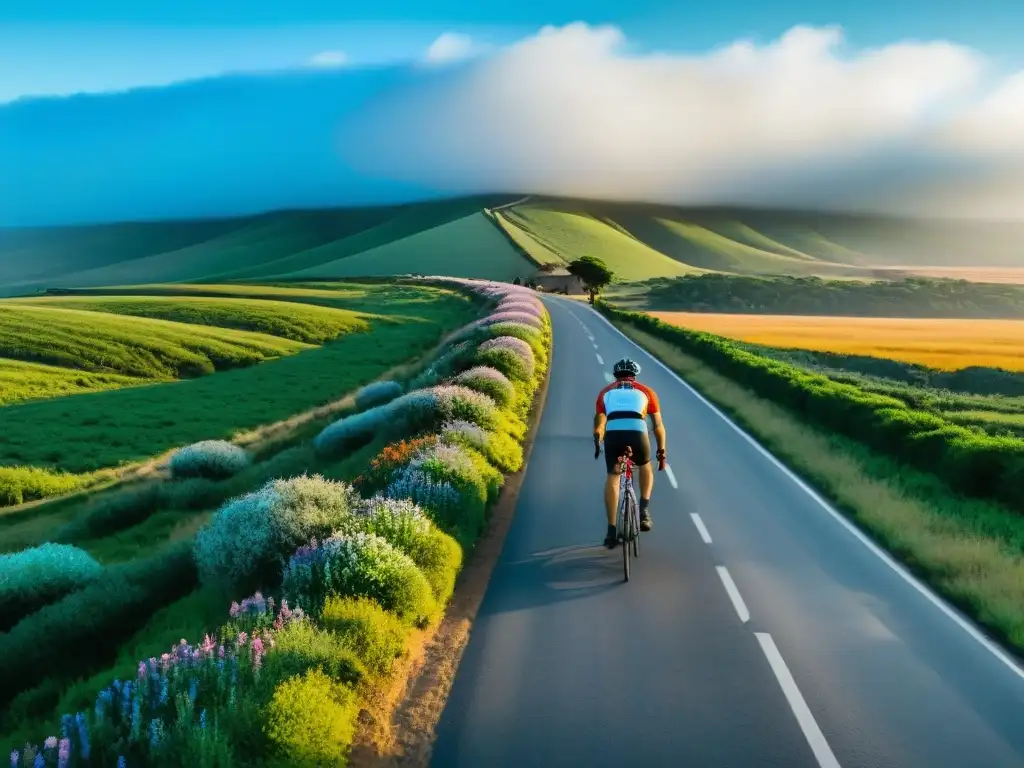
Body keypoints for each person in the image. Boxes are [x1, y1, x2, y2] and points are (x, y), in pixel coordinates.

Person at [593, 358, 667, 548]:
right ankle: (643, 511)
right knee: (644, 466)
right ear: (635, 375)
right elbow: (658, 426)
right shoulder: (647, 392)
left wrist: (599, 438)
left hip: (614, 434)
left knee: (613, 476)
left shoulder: (605, 392)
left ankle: (611, 531)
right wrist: (661, 452)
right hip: (637, 432)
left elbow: (600, 422)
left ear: (615, 376)